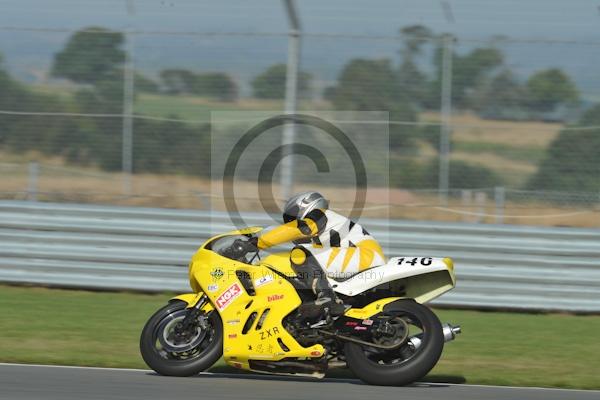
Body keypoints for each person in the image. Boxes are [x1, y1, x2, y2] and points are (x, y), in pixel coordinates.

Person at [255, 191, 386, 321]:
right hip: (361, 256)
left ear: (307, 205)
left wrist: (257, 242)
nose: (291, 220)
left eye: (294, 213)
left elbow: (301, 228)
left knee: (300, 254)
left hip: (365, 255)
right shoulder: (326, 231)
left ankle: (328, 299)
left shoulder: (320, 214)